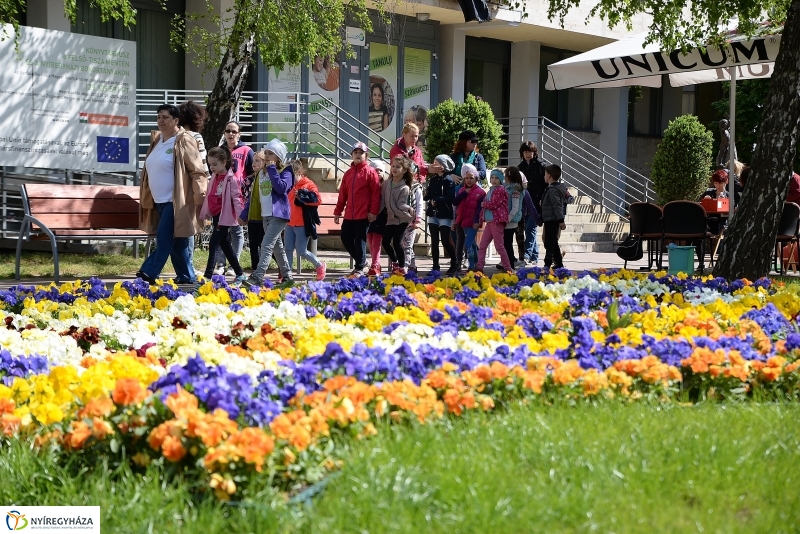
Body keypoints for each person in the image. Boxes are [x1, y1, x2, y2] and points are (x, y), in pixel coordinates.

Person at [136, 104, 207, 285]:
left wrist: (200, 197)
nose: (161, 120)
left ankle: (148, 272)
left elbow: (197, 171)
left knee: (164, 236)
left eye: (165, 117)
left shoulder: (184, 140)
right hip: (157, 200)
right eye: (159, 117)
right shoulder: (157, 140)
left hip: (176, 201)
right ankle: (187, 276)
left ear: (176, 120)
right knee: (178, 241)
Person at [243, 139, 294, 289]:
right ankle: (288, 276)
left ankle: (258, 276)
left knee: (266, 245)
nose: (266, 156)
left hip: (278, 215)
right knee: (277, 247)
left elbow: (281, 188)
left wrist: (272, 169)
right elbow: (254, 196)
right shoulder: (261, 173)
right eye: (265, 152)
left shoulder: (286, 171)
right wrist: (246, 213)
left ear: (278, 156)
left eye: (270, 153)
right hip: (265, 215)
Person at [197, 147, 247, 289]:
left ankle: (208, 276)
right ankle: (240, 273)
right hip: (216, 215)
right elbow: (210, 195)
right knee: (225, 244)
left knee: (213, 243)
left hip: (224, 217)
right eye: (210, 164)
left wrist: (241, 215)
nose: (212, 167)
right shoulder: (214, 177)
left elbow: (237, 198)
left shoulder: (231, 179)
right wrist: (206, 212)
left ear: (224, 162)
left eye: (215, 164)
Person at [334, 142, 382, 276]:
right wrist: (338, 211)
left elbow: (376, 194)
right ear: (351, 155)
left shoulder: (370, 172)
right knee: (345, 238)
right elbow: (343, 194)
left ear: (366, 156)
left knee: (360, 240)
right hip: (349, 214)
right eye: (355, 152)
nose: (358, 154)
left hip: (363, 214)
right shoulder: (348, 174)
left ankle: (359, 268)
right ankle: (362, 261)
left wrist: (373, 212)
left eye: (361, 153)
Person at [215, 120, 253, 275]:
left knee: (236, 231)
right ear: (224, 133)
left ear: (239, 134)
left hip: (238, 197)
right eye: (228, 131)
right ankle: (220, 264)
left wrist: (245, 188)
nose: (231, 134)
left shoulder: (246, 150)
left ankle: (233, 265)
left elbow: (252, 172)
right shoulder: (219, 150)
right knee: (220, 230)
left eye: (234, 131)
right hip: (220, 196)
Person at [178, 100, 210, 263]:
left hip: (176, 187)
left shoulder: (173, 136)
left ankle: (183, 264)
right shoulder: (196, 137)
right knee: (190, 226)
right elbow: (202, 165)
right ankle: (188, 263)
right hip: (192, 186)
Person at [285, 159, 327, 281]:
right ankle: (288, 275)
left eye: (290, 174)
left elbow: (318, 200)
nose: (287, 177)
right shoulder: (289, 186)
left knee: (302, 251)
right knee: (287, 250)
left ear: (299, 172)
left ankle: (319, 265)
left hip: (302, 224)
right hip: (289, 223)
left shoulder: (308, 184)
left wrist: (302, 197)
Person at [424, 154, 458, 275]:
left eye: (436, 163)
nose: (433, 165)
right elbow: (428, 195)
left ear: (443, 166)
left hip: (444, 214)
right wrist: (426, 195)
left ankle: (454, 262)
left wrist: (436, 199)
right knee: (434, 241)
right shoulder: (433, 180)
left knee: (445, 241)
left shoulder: (449, 180)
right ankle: (435, 266)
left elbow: (450, 197)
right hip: (433, 213)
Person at [381, 156, 415, 275]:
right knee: (385, 242)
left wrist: (409, 209)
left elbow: (401, 204)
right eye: (393, 166)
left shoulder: (404, 187)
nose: (394, 169)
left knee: (397, 243)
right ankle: (395, 262)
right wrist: (374, 213)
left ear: (404, 170)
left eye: (398, 167)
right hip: (391, 219)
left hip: (402, 219)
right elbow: (382, 201)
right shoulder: (386, 183)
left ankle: (402, 266)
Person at [475, 169, 512, 274]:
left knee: (499, 246)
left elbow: (494, 204)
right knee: (483, 245)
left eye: (496, 178)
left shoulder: (500, 189)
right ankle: (479, 267)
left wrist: (484, 204)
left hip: (497, 221)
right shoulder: (491, 190)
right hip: (490, 221)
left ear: (501, 180)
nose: (494, 180)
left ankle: (508, 268)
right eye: (492, 177)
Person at [452, 163, 486, 273]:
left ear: (476, 179)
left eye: (471, 178)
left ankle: (471, 266)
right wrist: (464, 193)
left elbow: (480, 209)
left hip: (473, 223)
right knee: (472, 244)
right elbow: (455, 202)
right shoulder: (461, 190)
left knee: (468, 244)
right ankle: (477, 263)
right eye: (466, 178)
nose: (468, 180)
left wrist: (477, 221)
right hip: (462, 222)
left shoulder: (481, 192)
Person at [518, 141, 546, 263]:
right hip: (525, 202)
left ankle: (527, 254)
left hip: (537, 202)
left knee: (530, 228)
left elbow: (546, 184)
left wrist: (543, 199)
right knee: (528, 229)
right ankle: (534, 256)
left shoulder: (541, 165)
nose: (528, 154)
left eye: (530, 152)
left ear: (534, 152)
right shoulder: (520, 167)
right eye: (525, 152)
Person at [239, 149, 267, 270]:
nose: (254, 163)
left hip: (263, 216)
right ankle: (255, 269)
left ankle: (282, 266)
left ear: (265, 162)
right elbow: (247, 200)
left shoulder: (266, 178)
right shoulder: (249, 180)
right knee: (253, 244)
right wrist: (244, 215)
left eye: (257, 161)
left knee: (264, 243)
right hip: (252, 216)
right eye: (253, 161)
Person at [541, 164, 568, 270]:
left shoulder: (552, 190)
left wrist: (561, 220)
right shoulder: (552, 189)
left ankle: (547, 264)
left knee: (549, 243)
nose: (544, 176)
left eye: (545, 174)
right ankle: (559, 262)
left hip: (552, 220)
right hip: (549, 219)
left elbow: (557, 206)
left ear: (549, 176)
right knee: (553, 242)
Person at [366, 159, 388, 276]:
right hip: (368, 215)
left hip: (380, 216)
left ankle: (375, 264)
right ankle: (375, 263)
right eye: (376, 170)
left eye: (380, 170)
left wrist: (375, 213)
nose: (378, 172)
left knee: (376, 241)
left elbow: (383, 201)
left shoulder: (385, 185)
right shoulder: (368, 184)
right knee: (370, 239)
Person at [402, 167, 425, 272]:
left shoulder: (416, 187)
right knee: (403, 244)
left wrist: (418, 220)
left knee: (408, 245)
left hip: (411, 221)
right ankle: (412, 265)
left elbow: (419, 204)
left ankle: (405, 266)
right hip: (400, 220)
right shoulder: (400, 184)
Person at [501, 167, 524, 270]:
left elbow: (515, 208)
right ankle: (509, 264)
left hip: (511, 220)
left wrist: (507, 219)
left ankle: (510, 265)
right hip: (508, 219)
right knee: (506, 243)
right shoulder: (509, 188)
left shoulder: (515, 190)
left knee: (507, 244)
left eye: (505, 175)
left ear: (509, 177)